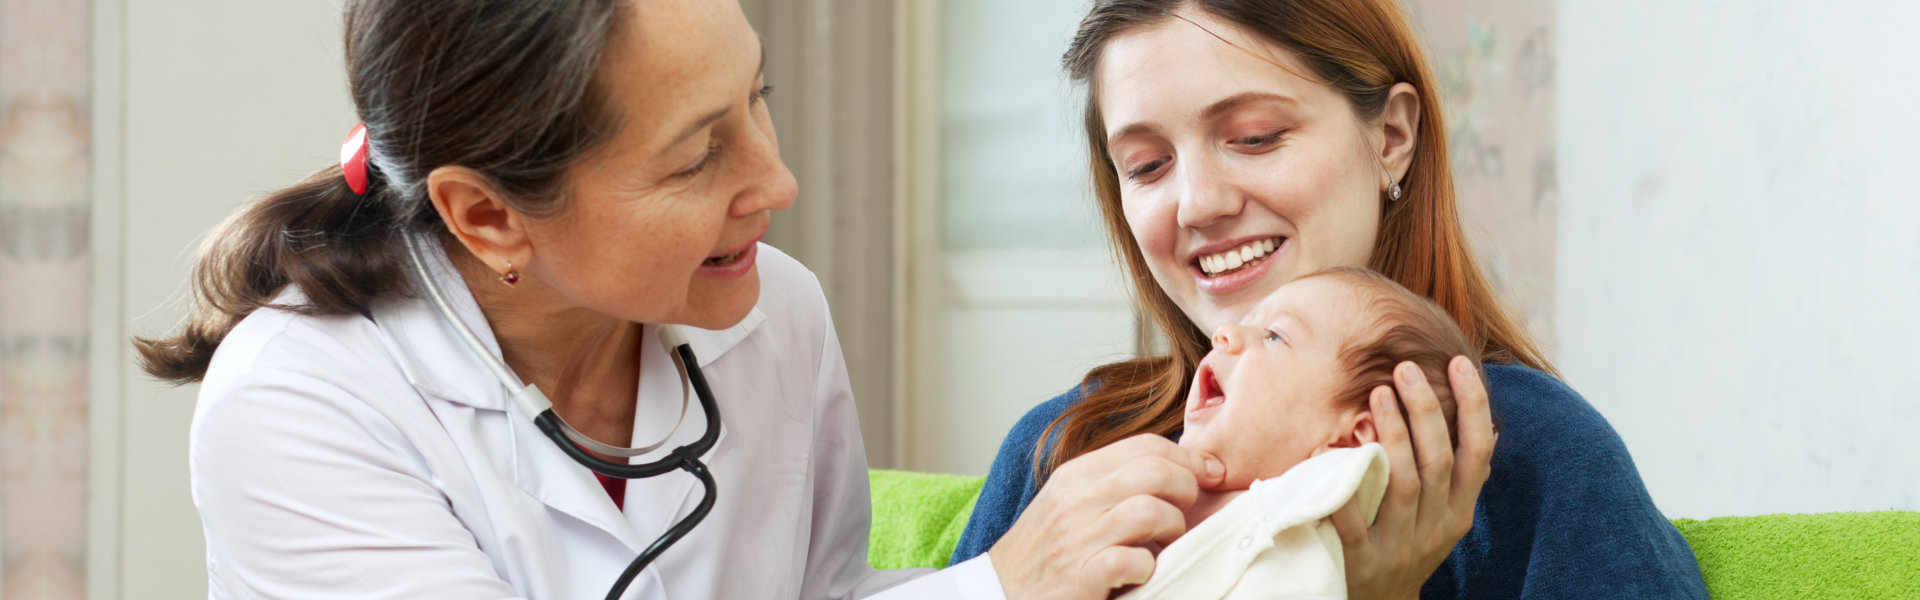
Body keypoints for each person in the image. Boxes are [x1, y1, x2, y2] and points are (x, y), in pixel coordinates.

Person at [135, 1, 1229, 598]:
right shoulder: (299, 403)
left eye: (757, 98)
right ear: (488, 218)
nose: (778, 182)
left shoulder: (772, 314)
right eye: (701, 154)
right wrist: (996, 592)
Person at [952, 1, 1710, 598]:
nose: (1197, 203)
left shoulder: (1530, 456)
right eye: (1148, 165)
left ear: (1391, 136)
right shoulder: (1063, 448)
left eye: (1253, 137)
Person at [1121, 267, 1473, 599]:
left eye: (1274, 336)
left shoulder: (1294, 551)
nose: (1224, 333)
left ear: (1347, 441)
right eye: (1247, 323)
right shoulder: (1132, 483)